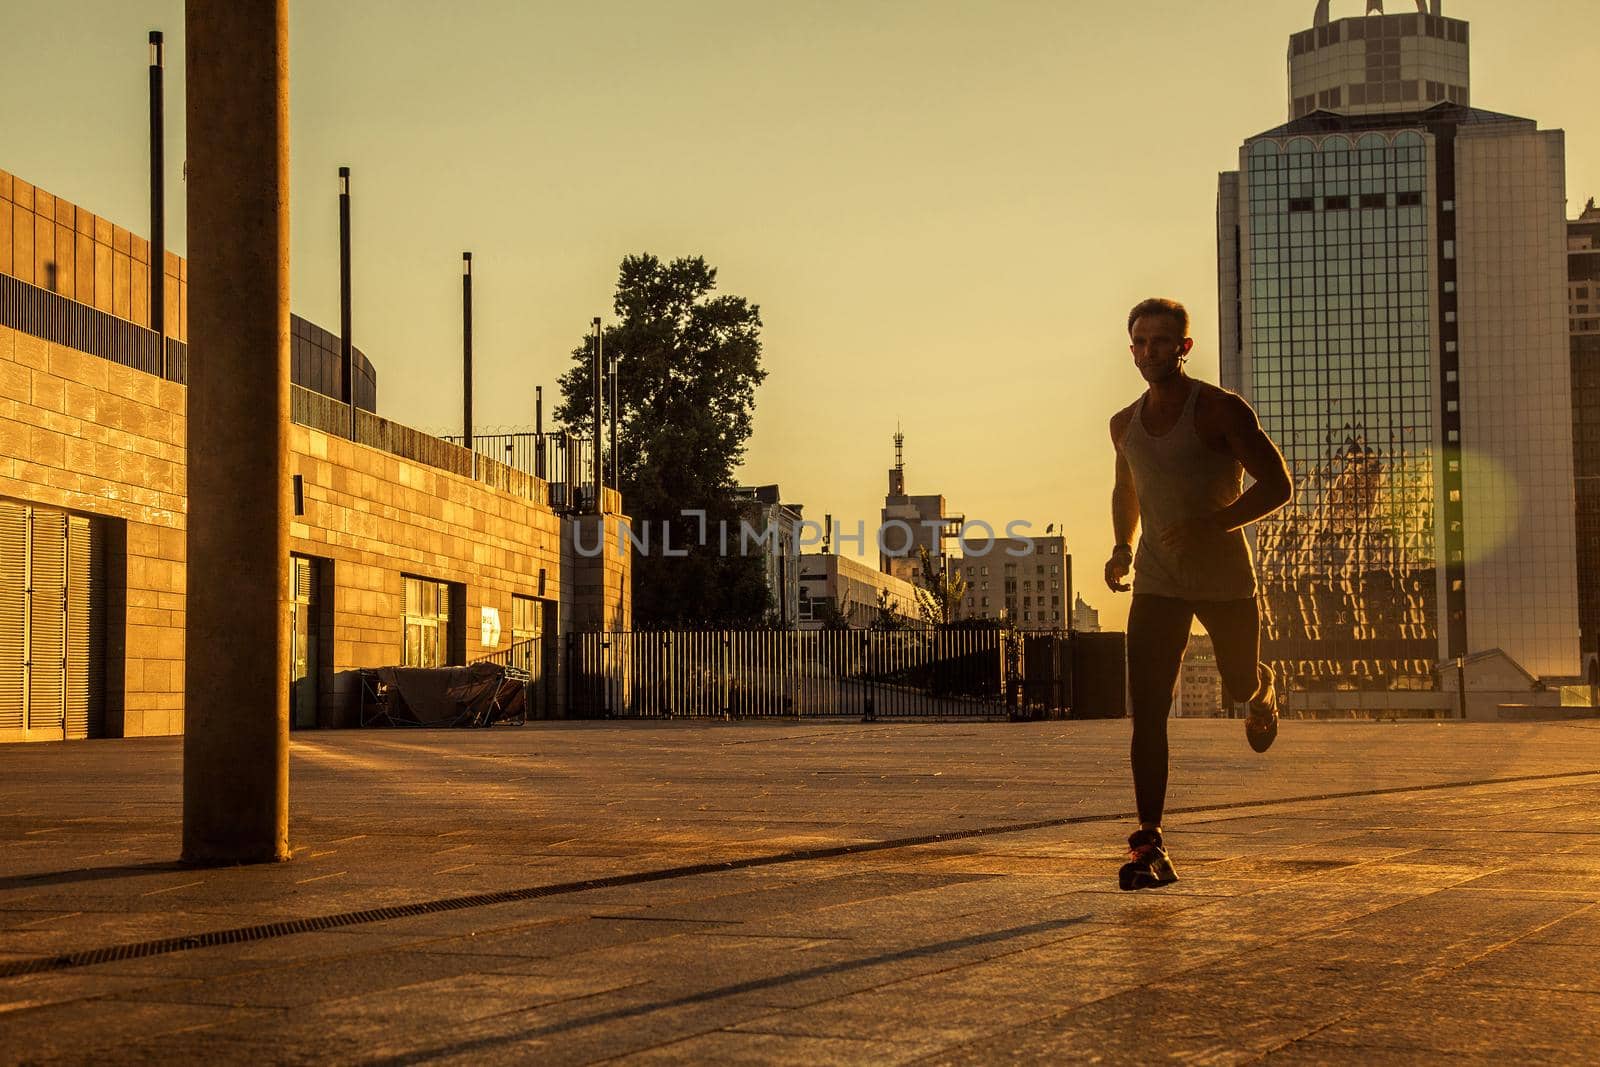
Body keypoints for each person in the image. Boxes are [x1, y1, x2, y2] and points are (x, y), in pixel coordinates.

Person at [1105, 298, 1293, 891]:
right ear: (1130, 349)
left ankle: (1262, 691)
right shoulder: (1122, 423)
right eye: (1142, 342)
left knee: (1237, 683)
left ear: (1184, 348)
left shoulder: (1219, 410)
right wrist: (1121, 548)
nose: (1151, 351)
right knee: (1149, 710)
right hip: (1158, 584)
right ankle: (1148, 841)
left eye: (1163, 341)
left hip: (1224, 581)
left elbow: (1278, 485)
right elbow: (1126, 489)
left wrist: (1213, 523)